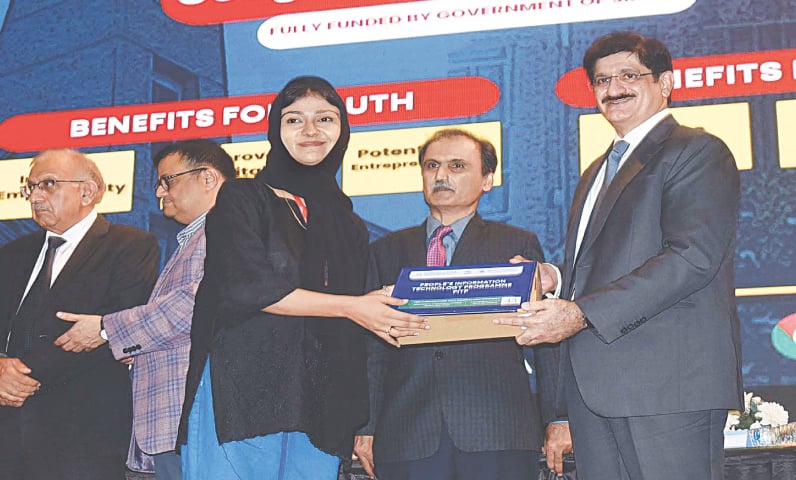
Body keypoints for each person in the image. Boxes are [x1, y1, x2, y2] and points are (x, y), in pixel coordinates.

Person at [494, 32, 742, 479]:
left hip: (667, 386)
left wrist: (580, 314)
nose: (614, 89)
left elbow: (691, 258)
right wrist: (552, 277)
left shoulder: (697, 151)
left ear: (665, 83)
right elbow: (600, 264)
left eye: (630, 75)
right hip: (595, 390)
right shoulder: (597, 170)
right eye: (602, 80)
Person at [175, 76, 428, 480]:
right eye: (294, 120)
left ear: (342, 130)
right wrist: (355, 306)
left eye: (324, 118)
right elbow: (249, 288)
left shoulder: (348, 223)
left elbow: (364, 319)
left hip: (322, 401)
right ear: (276, 130)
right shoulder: (243, 197)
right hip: (243, 391)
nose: (311, 131)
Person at [353, 128, 572, 480]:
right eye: (432, 166)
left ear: (487, 180)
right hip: (407, 435)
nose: (441, 176)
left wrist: (558, 417)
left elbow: (546, 335)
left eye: (457, 166)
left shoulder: (516, 244)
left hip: (497, 429)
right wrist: (366, 425)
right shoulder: (385, 251)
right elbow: (372, 349)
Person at [52, 140, 235, 480]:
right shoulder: (196, 239)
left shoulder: (225, 229)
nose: (159, 192)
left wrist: (107, 330)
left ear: (208, 178)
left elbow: (195, 307)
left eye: (169, 180)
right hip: (175, 427)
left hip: (195, 426)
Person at [0, 149, 159, 479]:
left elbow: (115, 322)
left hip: (82, 430)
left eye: (48, 184)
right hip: (8, 427)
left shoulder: (131, 245)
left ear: (87, 191)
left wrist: (21, 376)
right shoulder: (13, 253)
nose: (35, 197)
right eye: (30, 187)